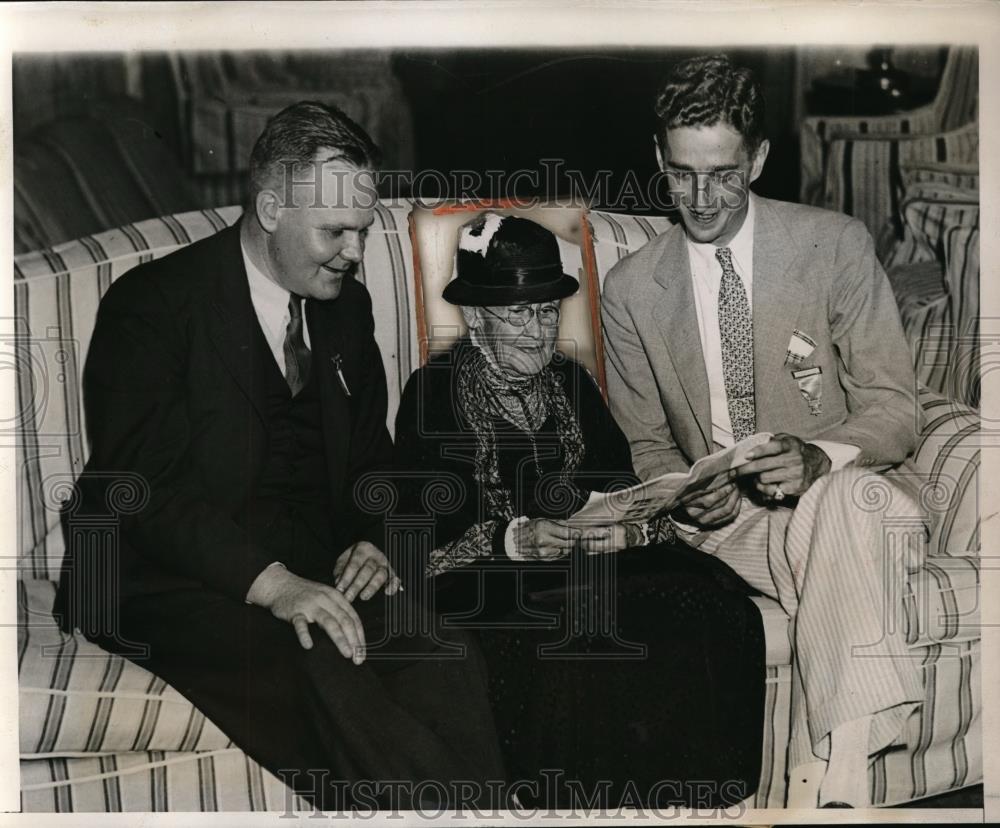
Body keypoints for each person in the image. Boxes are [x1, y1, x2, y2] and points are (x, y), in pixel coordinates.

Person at [55, 101, 504, 811]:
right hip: (162, 574)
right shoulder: (151, 307)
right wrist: (276, 586)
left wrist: (375, 541)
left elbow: (370, 463)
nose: (356, 254)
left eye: (362, 231)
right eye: (336, 232)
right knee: (320, 663)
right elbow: (147, 494)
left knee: (438, 647)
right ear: (269, 209)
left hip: (304, 560)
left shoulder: (344, 308)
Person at [601, 55, 926, 808]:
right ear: (659, 159)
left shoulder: (835, 246)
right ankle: (852, 777)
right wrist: (684, 499)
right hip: (732, 531)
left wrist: (820, 456)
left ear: (760, 160)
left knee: (839, 504)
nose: (703, 198)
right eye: (682, 174)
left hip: (854, 501)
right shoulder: (629, 290)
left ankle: (842, 770)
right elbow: (647, 446)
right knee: (827, 522)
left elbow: (895, 407)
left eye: (723, 173)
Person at [392, 214, 766, 809]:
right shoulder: (432, 393)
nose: (539, 333)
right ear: (476, 316)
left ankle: (701, 805)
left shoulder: (573, 381)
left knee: (718, 611)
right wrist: (515, 538)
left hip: (592, 563)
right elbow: (420, 538)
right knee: (570, 635)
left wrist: (629, 525)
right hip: (497, 579)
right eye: (520, 314)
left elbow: (617, 482)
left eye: (547, 312)